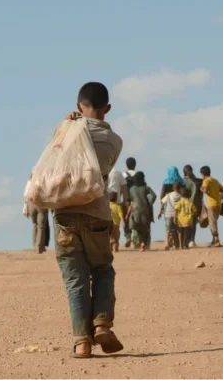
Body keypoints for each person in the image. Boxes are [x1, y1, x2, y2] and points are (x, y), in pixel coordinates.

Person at [54, 82, 124, 358]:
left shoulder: (65, 131)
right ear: (108, 108)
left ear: (77, 107)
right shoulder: (115, 142)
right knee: (103, 270)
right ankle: (102, 324)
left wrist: (67, 123)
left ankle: (82, 342)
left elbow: (55, 156)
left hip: (64, 216)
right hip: (96, 213)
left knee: (76, 280)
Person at [125, 172, 157, 251]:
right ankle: (144, 244)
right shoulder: (146, 188)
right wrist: (150, 202)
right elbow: (154, 196)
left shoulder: (131, 189)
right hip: (145, 209)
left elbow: (131, 201)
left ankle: (141, 243)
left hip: (135, 210)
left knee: (138, 228)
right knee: (146, 228)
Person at [23, 176, 49, 254]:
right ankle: (39, 248)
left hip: (31, 203)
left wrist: (25, 207)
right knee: (41, 226)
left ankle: (35, 246)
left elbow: (25, 195)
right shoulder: (43, 181)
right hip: (41, 203)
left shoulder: (29, 182)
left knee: (35, 225)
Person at [200, 166, 223, 247]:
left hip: (211, 204)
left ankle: (216, 239)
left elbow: (205, 190)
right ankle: (214, 240)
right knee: (214, 221)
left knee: (212, 222)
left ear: (203, 174)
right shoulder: (215, 180)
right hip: (218, 204)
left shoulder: (206, 181)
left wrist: (202, 189)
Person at [108, 168, 129, 247]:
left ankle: (110, 240)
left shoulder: (103, 170)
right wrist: (125, 200)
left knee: (107, 225)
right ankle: (115, 242)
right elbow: (124, 187)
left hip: (105, 202)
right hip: (117, 201)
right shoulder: (118, 172)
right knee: (117, 227)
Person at [158, 181, 182, 250]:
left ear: (173, 188)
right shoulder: (181, 196)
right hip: (178, 215)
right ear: (180, 188)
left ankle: (167, 245)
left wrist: (160, 212)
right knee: (178, 231)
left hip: (168, 214)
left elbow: (162, 202)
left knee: (168, 230)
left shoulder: (168, 195)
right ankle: (180, 245)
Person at [183, 165, 202, 247]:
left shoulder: (182, 181)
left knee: (184, 222)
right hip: (195, 204)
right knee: (193, 223)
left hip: (184, 205)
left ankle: (185, 241)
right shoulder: (196, 181)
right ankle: (192, 240)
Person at [122, 158, 138, 247]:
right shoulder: (138, 174)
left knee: (125, 219)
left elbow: (121, 187)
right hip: (136, 200)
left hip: (126, 200)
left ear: (126, 165)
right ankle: (135, 239)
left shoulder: (123, 175)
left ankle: (128, 237)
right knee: (135, 220)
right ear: (135, 164)